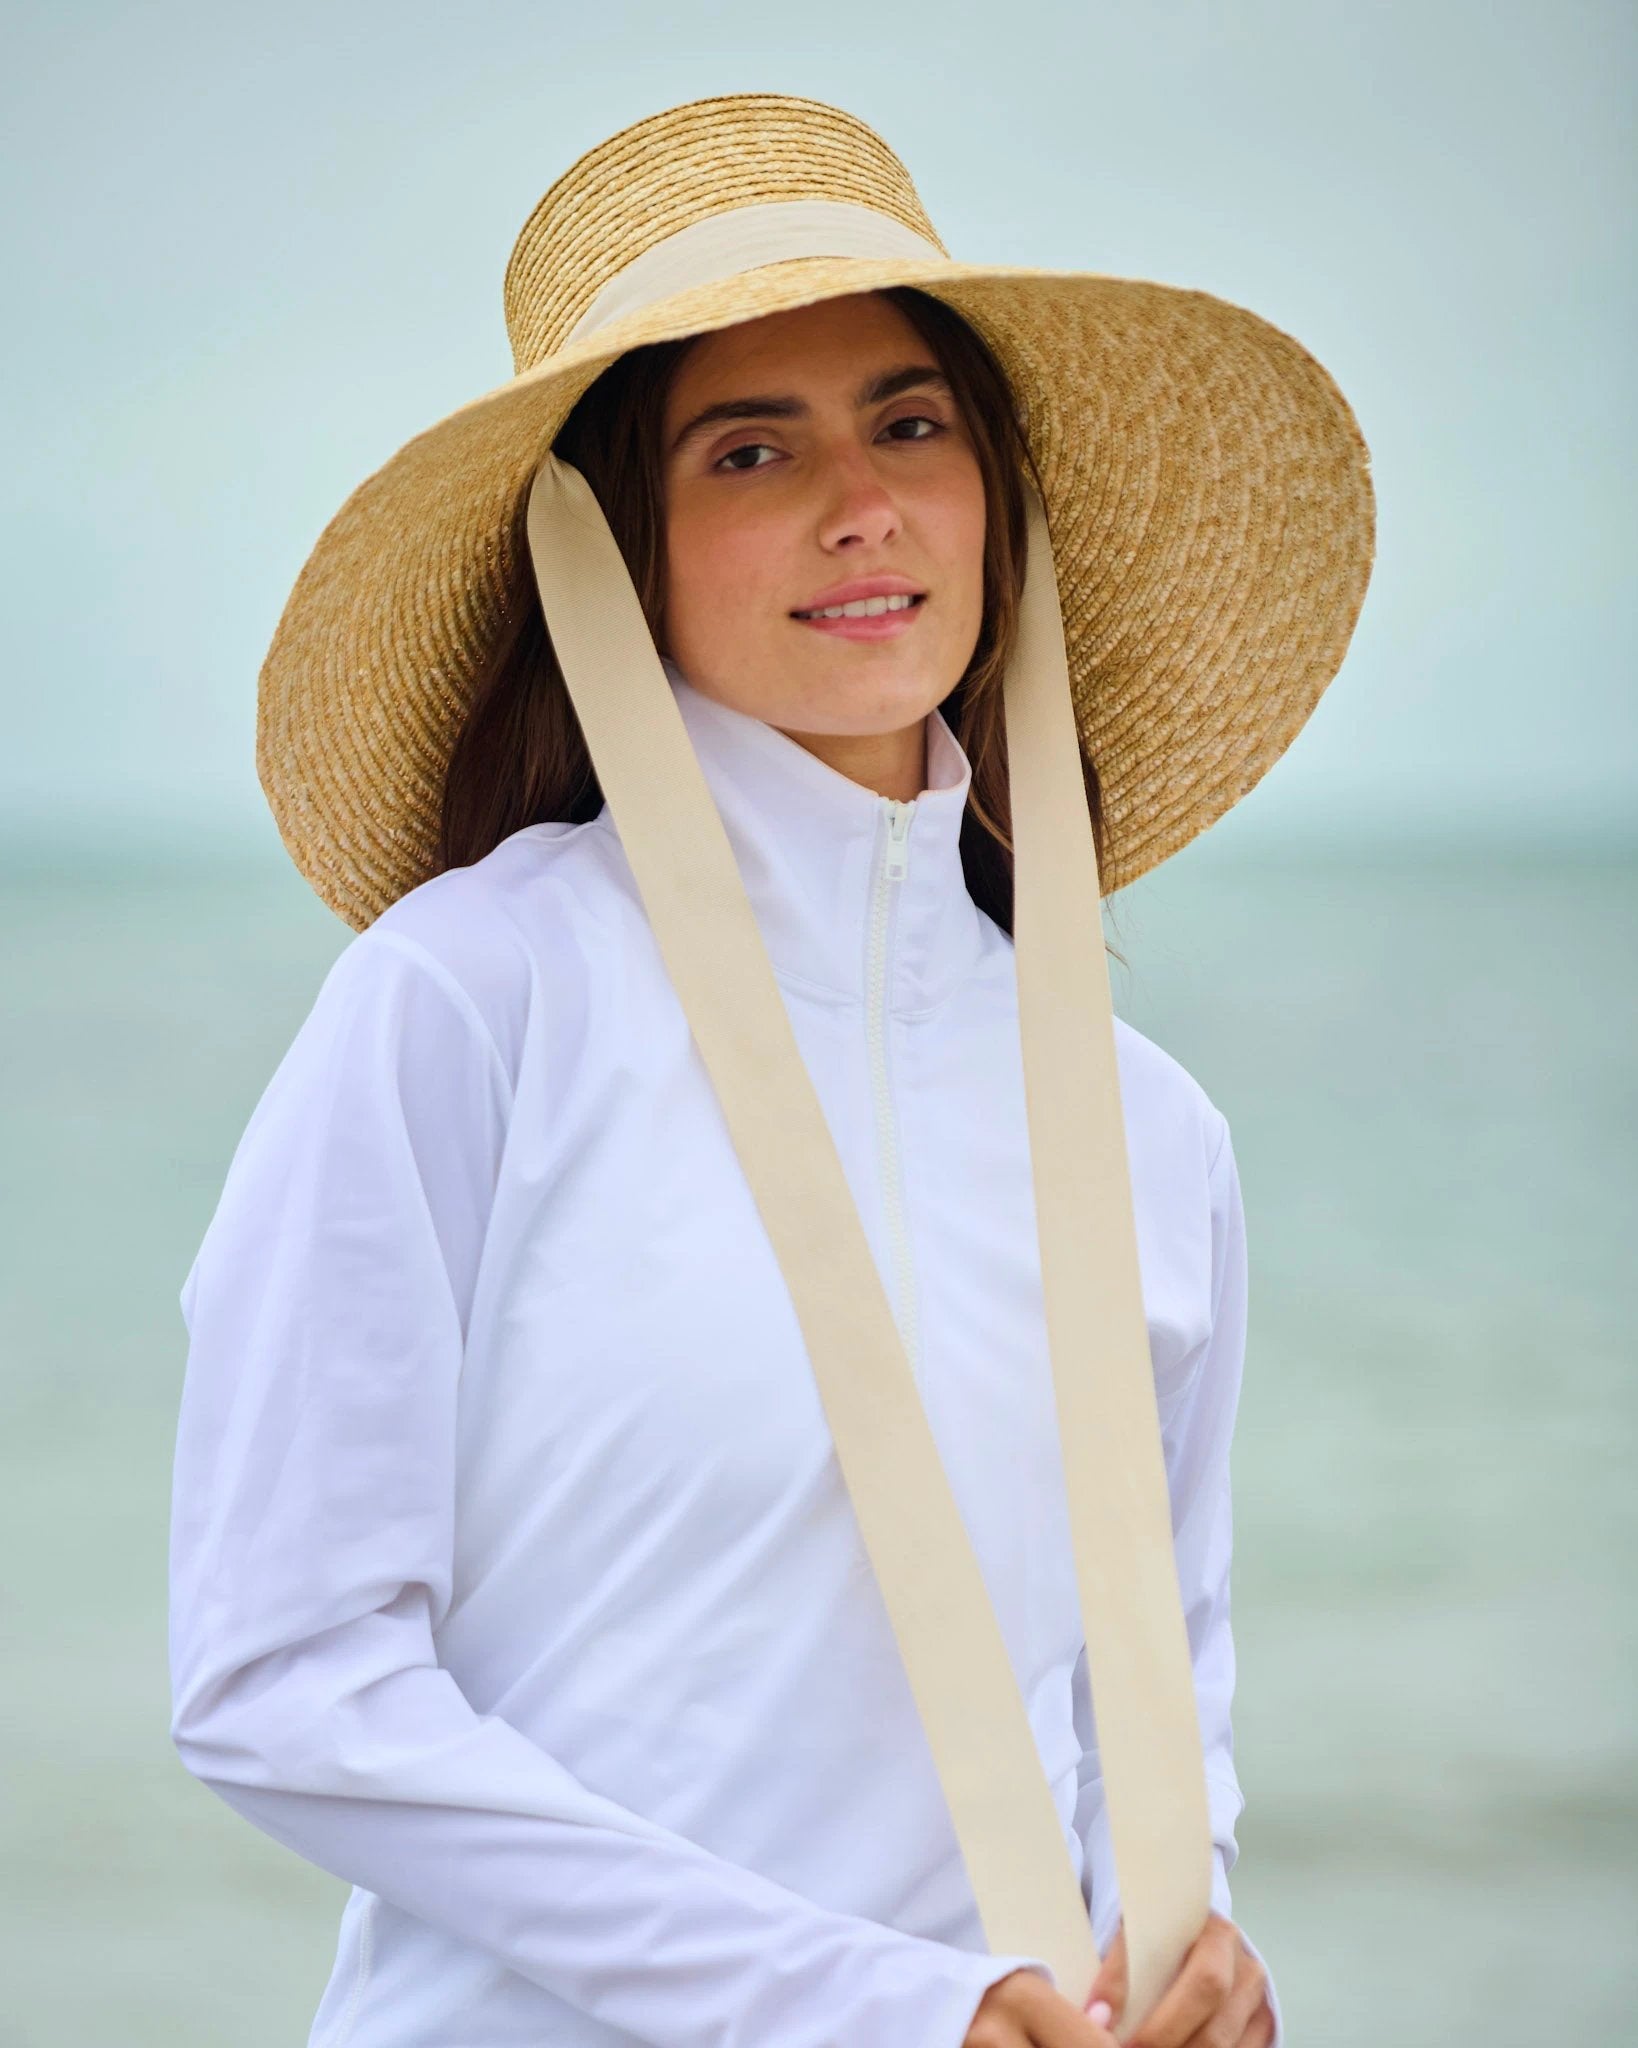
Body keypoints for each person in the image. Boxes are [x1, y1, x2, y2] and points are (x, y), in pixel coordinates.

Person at [167, 93, 1373, 2048]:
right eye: (752, 448)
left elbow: (1168, 1671)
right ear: (616, 549)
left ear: (999, 490)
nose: (861, 503)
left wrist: (1191, 1926)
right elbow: (283, 1682)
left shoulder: (1156, 1129)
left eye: (910, 422)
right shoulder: (473, 1000)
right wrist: (870, 2002)